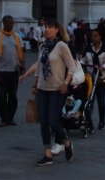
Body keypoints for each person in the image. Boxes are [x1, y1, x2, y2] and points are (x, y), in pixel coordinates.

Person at [20, 19, 75, 166]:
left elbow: (72, 66)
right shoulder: (43, 46)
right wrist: (34, 83)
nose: (47, 29)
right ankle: (47, 154)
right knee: (43, 122)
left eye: (50, 27)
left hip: (57, 89)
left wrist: (66, 82)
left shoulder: (62, 46)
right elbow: (39, 66)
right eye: (46, 27)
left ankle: (66, 142)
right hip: (43, 89)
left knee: (53, 121)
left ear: (57, 30)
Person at [0, 15, 25, 127]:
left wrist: (22, 65)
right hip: (1, 72)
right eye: (8, 23)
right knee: (1, 97)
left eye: (12, 23)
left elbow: (21, 53)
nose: (10, 25)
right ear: (3, 23)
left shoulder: (17, 37)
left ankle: (10, 118)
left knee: (13, 97)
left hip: (14, 71)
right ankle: (3, 119)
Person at [81, 30, 105, 129]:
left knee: (101, 101)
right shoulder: (88, 48)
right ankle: (89, 122)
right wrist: (80, 62)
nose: (93, 38)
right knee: (89, 101)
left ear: (100, 37)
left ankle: (102, 121)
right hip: (90, 78)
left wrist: (104, 67)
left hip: (101, 78)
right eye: (92, 36)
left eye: (96, 36)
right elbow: (84, 59)